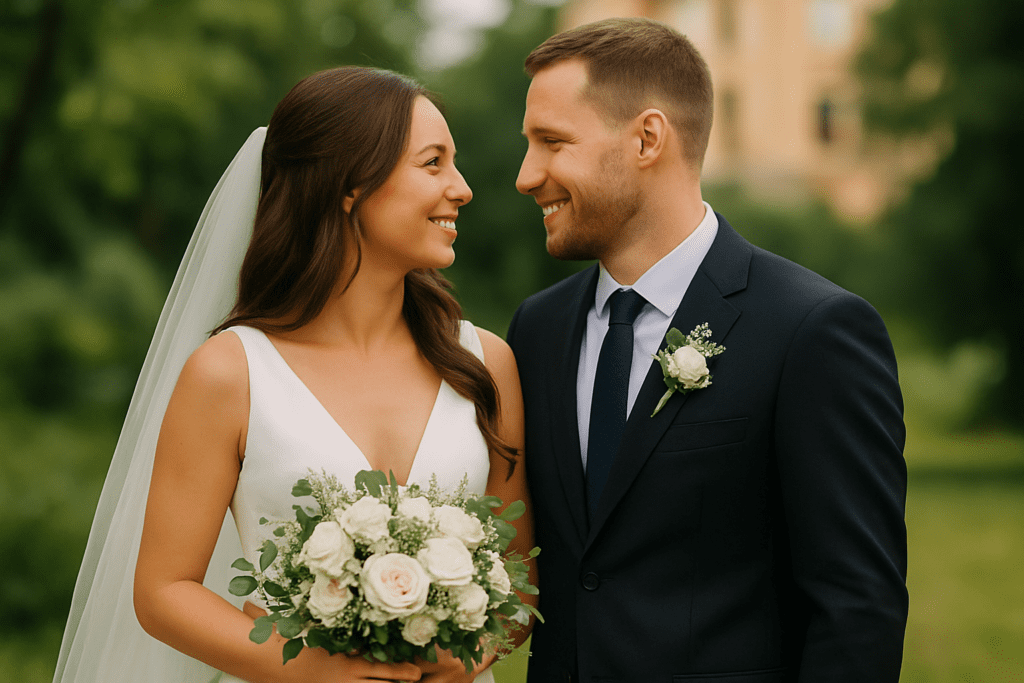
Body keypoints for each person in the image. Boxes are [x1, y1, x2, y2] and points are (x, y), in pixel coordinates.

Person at [53, 66, 534, 683]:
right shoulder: (231, 372)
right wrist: (314, 669)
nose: (463, 188)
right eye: (433, 163)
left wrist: (467, 656)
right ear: (349, 186)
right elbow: (164, 590)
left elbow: (520, 580)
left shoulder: (485, 364)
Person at [507, 18, 907, 683]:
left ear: (648, 138)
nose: (527, 176)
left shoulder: (814, 330)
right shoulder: (538, 329)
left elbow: (856, 606)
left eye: (551, 142)